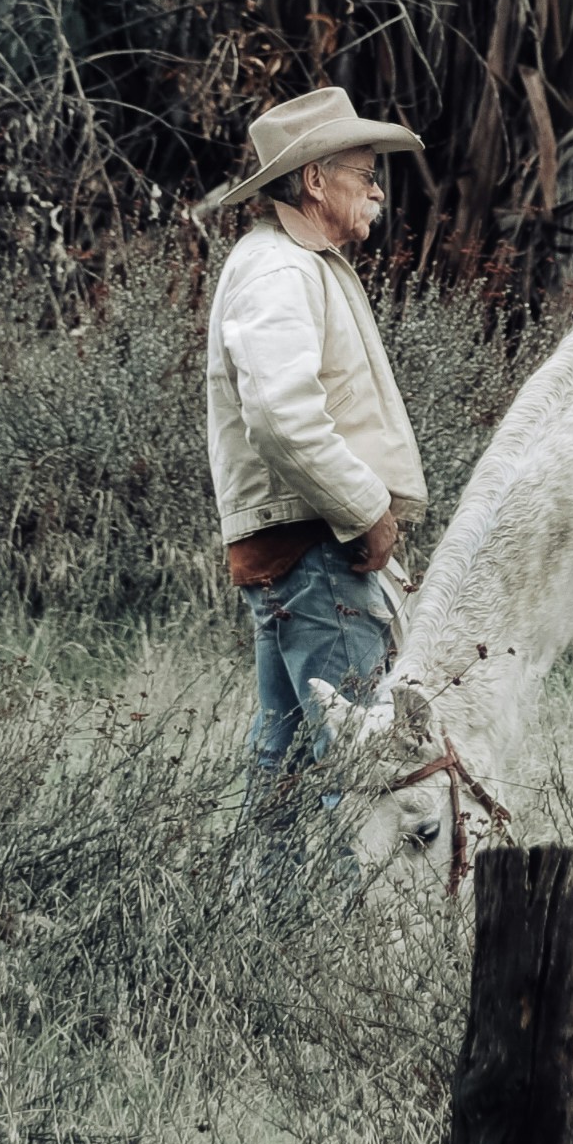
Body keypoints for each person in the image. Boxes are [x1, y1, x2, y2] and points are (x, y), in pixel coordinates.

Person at [199, 84, 429, 864]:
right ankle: (345, 950)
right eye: (364, 172)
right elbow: (282, 416)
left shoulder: (294, 264)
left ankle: (257, 943)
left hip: (305, 557)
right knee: (357, 776)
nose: (377, 189)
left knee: (285, 770)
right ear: (313, 182)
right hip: (319, 559)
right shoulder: (280, 270)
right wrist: (367, 510)